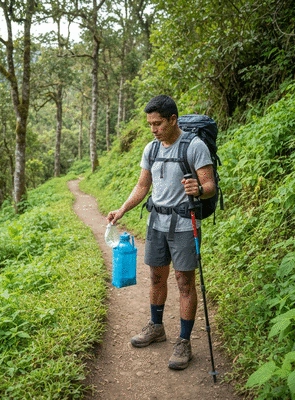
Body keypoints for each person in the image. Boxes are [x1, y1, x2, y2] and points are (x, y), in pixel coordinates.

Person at [106, 95, 216, 370]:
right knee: (156, 277)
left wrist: (199, 191)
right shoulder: (151, 149)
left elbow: (209, 185)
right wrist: (122, 210)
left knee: (184, 283)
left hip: (184, 224)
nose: (153, 129)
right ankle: (157, 327)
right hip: (156, 222)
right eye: (150, 124)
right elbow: (143, 186)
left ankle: (184, 341)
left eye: (158, 124)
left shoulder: (195, 146)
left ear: (172, 120)